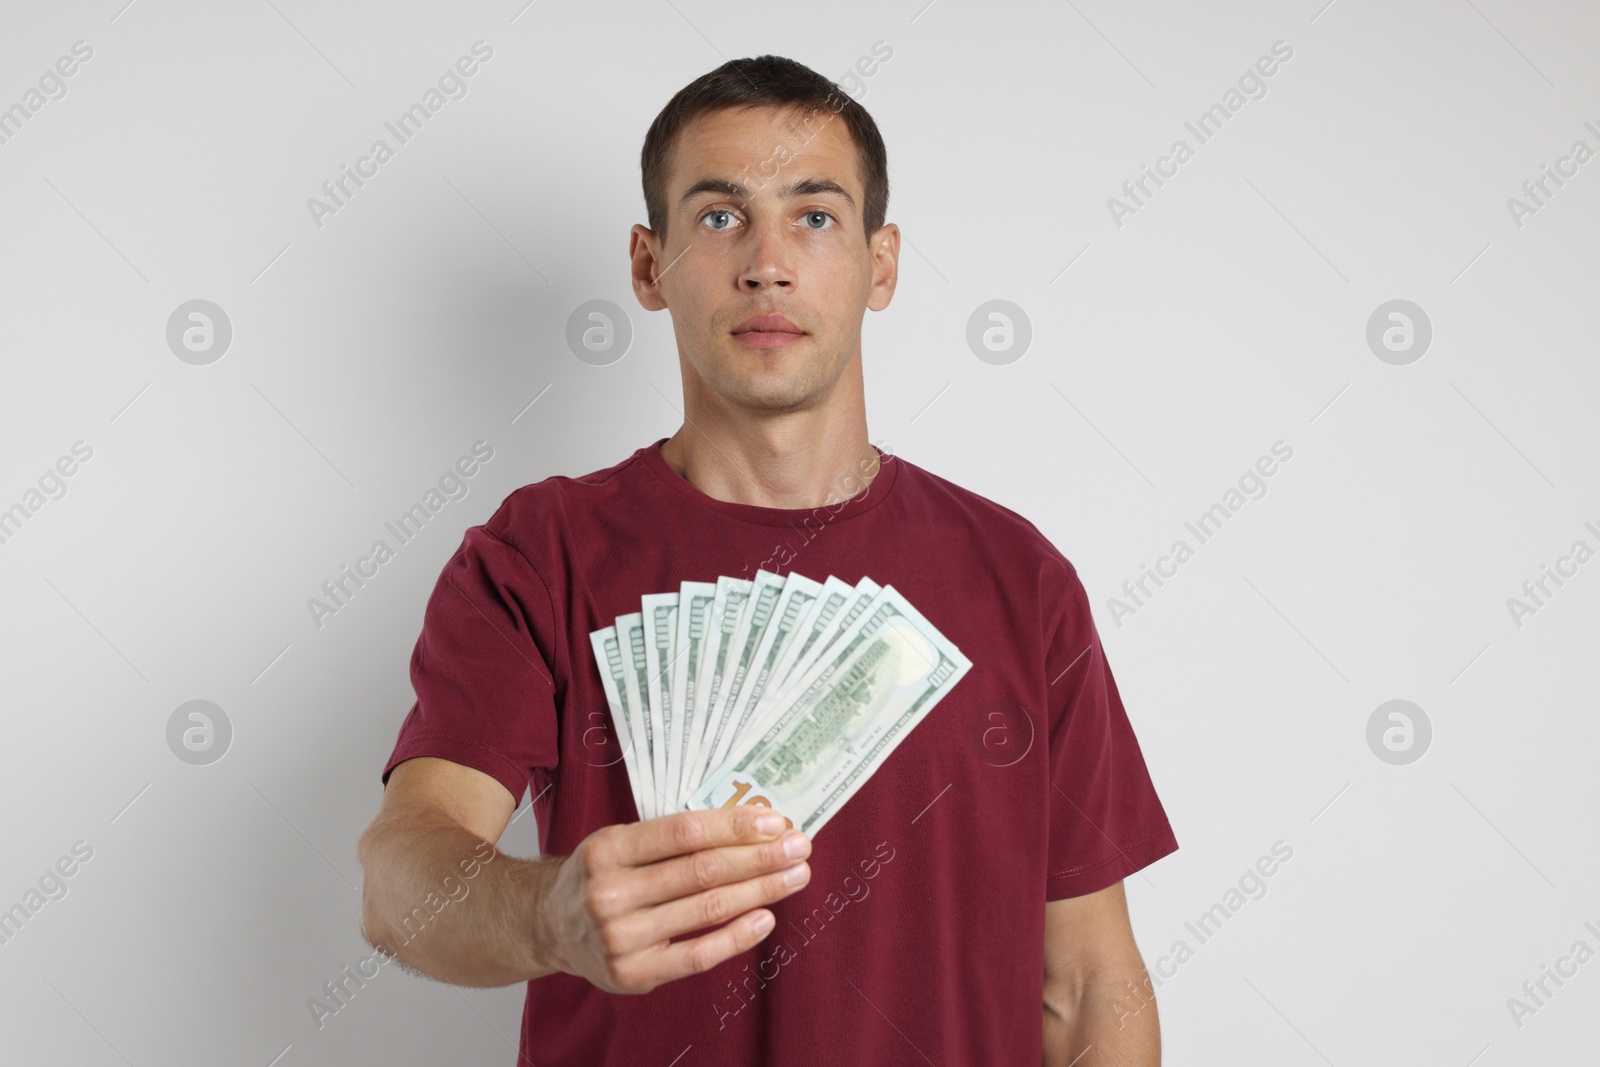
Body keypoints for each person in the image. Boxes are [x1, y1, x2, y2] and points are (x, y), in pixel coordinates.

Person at [357, 54, 1179, 1065]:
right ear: (646, 265)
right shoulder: (539, 555)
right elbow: (401, 881)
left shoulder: (1016, 576)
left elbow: (1092, 981)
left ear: (881, 265)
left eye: (814, 215)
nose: (767, 263)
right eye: (717, 216)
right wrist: (548, 914)